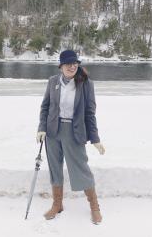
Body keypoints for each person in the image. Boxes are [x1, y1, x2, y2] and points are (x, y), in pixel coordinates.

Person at [36, 49, 105, 224]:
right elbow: (45, 107)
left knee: (81, 168)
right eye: (68, 64)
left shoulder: (86, 83)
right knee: (55, 169)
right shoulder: (53, 82)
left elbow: (90, 113)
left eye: (75, 63)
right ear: (61, 66)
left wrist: (95, 138)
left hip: (74, 132)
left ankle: (94, 206)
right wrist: (41, 128)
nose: (72, 66)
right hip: (53, 131)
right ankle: (57, 204)